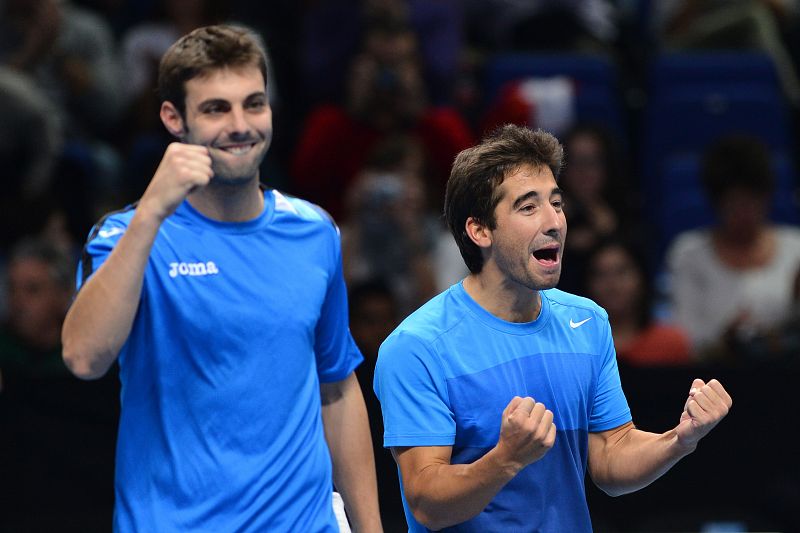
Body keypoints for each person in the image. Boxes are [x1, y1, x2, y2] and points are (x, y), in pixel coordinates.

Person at [61, 25, 382, 532]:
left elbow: (337, 390)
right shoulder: (123, 234)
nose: (240, 125)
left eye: (253, 104)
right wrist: (151, 215)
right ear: (174, 118)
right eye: (216, 109)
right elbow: (83, 358)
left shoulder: (315, 231)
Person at [373, 124, 732, 532]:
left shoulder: (588, 322)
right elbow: (426, 504)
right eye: (528, 207)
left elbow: (611, 457)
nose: (554, 222)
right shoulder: (417, 347)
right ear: (480, 230)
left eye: (556, 203)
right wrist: (505, 458)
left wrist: (679, 440)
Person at [666, 134, 800, 360]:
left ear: (766, 198)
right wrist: (724, 343)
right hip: (712, 378)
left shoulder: (796, 247)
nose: (744, 213)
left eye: (752, 201)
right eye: (735, 203)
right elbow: (685, 340)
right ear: (716, 203)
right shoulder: (688, 254)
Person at [584, 238, 691, 366]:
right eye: (600, 274)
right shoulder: (573, 343)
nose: (611, 284)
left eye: (621, 272)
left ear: (642, 279)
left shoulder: (670, 343)